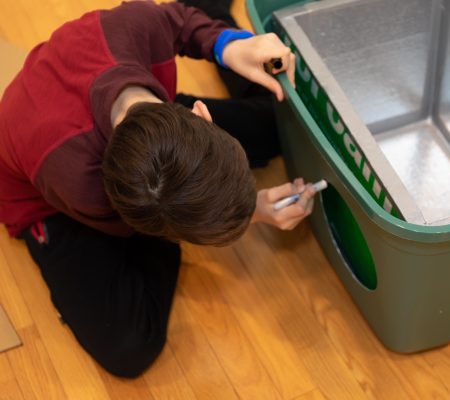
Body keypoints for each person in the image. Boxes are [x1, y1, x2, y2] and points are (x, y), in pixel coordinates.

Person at [0, 0, 317, 377]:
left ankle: (216, 16)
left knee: (282, 124)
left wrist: (227, 45)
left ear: (198, 114)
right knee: (129, 346)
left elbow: (178, 22)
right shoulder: (78, 181)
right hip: (46, 199)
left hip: (138, 131)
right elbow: (132, 226)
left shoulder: (130, 27)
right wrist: (251, 212)